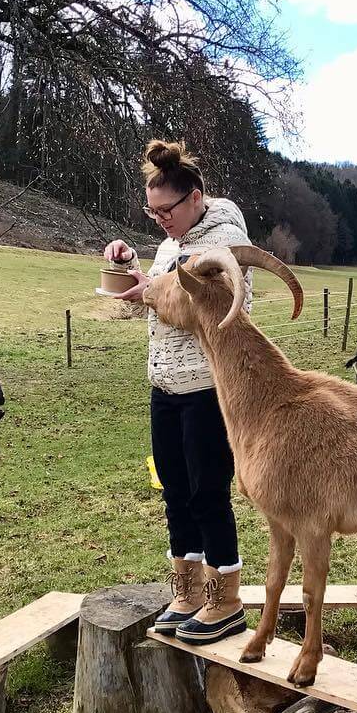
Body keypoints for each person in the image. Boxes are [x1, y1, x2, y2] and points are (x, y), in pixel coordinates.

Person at [104, 139, 253, 644]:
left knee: (207, 492)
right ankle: (188, 593)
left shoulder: (225, 240)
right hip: (165, 385)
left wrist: (150, 290)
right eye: (152, 211)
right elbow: (164, 285)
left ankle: (226, 601)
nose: (160, 220)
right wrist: (133, 268)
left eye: (166, 210)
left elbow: (209, 303)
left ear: (195, 197)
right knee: (174, 490)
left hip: (208, 387)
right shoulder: (174, 241)